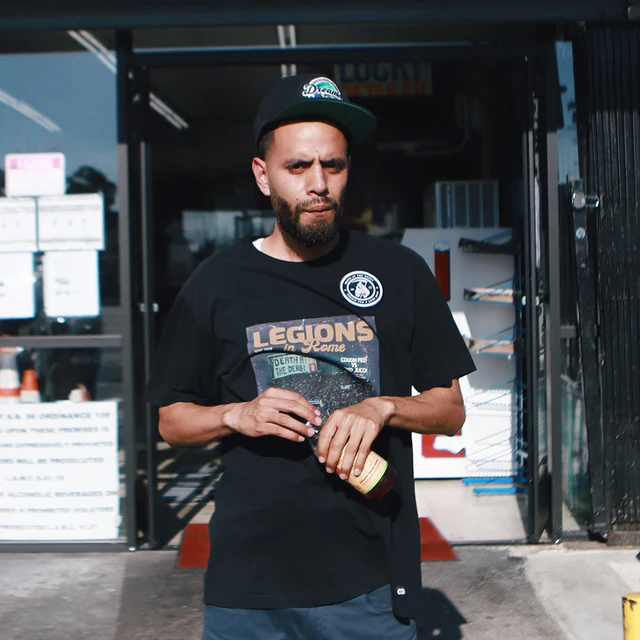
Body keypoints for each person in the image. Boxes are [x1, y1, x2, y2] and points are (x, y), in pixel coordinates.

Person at [147, 73, 476, 640]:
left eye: (333, 165)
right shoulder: (216, 284)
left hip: (368, 586)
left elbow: (450, 410)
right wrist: (236, 414)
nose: (318, 183)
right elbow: (171, 422)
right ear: (263, 175)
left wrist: (383, 408)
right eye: (298, 167)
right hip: (248, 590)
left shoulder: (398, 273)